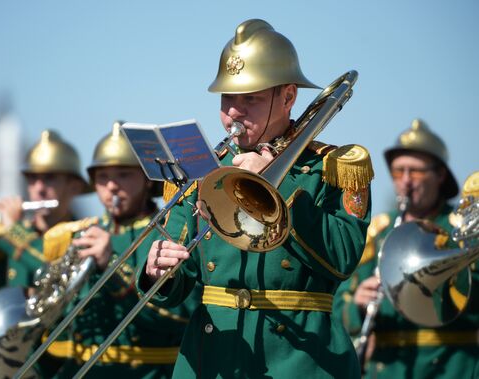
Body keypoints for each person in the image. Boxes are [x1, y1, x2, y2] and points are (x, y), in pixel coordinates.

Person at [137, 19, 374, 378]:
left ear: (289, 97)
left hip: (300, 360)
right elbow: (181, 281)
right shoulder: (202, 168)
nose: (233, 111)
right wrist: (161, 271)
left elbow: (343, 258)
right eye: (227, 98)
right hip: (213, 357)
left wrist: (282, 185)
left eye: (251, 98)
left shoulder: (335, 166)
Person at [41, 121, 199, 378]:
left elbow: (178, 317)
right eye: (103, 176)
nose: (112, 186)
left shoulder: (168, 230)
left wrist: (111, 265)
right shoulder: (77, 232)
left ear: (148, 180)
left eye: (123, 174)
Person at [334, 119, 479, 378]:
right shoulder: (379, 232)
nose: (406, 181)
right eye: (398, 172)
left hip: (453, 365)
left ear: (440, 175)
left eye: (416, 171)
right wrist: (357, 303)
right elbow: (338, 300)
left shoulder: (464, 228)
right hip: (389, 368)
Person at [0, 130, 88, 378]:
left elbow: (55, 278)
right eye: (32, 179)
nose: (39, 188)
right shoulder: (5, 238)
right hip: (11, 364)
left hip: (62, 366)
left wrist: (14, 233)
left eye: (50, 179)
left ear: (74, 186)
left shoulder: (84, 235)